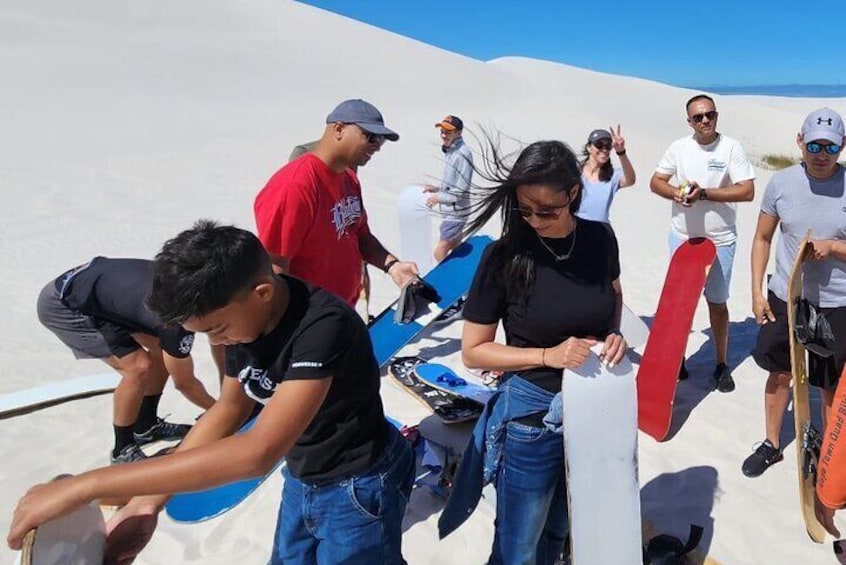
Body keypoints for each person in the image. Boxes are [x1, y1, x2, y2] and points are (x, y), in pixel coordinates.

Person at [9, 221, 415, 564]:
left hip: (360, 486)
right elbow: (230, 409)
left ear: (262, 293)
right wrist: (147, 502)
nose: (217, 342)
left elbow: (257, 453)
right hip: (305, 476)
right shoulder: (244, 320)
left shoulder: (323, 328)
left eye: (216, 331)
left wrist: (89, 485)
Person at [437, 140, 627, 564]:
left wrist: (614, 335)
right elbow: (474, 351)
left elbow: (613, 294)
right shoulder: (503, 256)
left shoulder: (599, 238)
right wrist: (547, 356)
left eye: (548, 210)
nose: (535, 220)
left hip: (594, 407)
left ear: (573, 194)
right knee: (518, 543)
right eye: (526, 209)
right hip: (531, 415)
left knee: (560, 527)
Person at [742, 107, 846, 478]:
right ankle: (772, 444)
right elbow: (762, 238)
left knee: (830, 386)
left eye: (830, 148)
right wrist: (756, 292)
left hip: (836, 301)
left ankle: (831, 462)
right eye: (814, 145)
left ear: (842, 146)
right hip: (787, 297)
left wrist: (834, 248)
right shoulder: (781, 183)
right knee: (780, 373)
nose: (821, 154)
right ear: (800, 142)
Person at [36, 257, 216, 464]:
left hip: (100, 288)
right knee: (138, 368)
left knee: (161, 350)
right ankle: (122, 450)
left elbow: (218, 345)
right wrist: (221, 410)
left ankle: (146, 426)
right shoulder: (176, 322)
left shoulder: (193, 287)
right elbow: (184, 383)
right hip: (64, 302)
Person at [254, 99, 418, 307]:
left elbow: (360, 234)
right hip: (309, 318)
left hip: (340, 310)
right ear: (339, 129)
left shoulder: (348, 178)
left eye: (381, 141)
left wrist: (393, 266)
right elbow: (275, 266)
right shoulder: (295, 185)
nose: (377, 147)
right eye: (371, 137)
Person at [649, 94, 755, 392]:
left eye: (709, 114)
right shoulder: (679, 148)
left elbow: (747, 190)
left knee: (717, 304)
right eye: (698, 117)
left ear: (716, 116)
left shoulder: (731, 147)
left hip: (720, 241)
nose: (705, 120)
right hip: (683, 238)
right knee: (680, 305)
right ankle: (677, 360)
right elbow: (656, 180)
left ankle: (721, 364)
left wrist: (705, 193)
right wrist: (676, 193)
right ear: (689, 121)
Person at [423, 114, 474, 262]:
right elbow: (452, 184)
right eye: (442, 131)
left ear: (458, 133)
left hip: (456, 212)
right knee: (456, 248)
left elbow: (460, 190)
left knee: (440, 252)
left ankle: (444, 282)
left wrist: (439, 198)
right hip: (452, 210)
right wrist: (437, 189)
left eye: (448, 132)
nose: (444, 135)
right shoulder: (451, 151)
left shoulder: (462, 154)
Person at [576, 126, 636, 223]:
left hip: (601, 230)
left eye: (608, 146)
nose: (604, 150)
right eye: (599, 145)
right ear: (589, 148)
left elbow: (630, 180)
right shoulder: (575, 171)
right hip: (576, 228)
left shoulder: (612, 175)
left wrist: (621, 152)